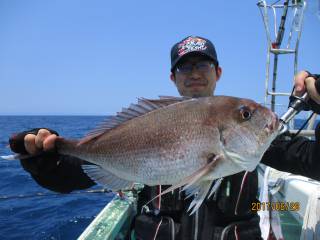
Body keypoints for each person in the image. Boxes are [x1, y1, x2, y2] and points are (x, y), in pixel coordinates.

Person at [9, 36, 320, 239]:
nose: (194, 72)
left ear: (218, 72)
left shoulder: (257, 139)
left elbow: (314, 163)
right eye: (184, 67)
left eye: (203, 64)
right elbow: (68, 180)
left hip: (245, 222)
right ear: (173, 77)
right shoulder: (148, 126)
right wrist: (43, 160)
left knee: (264, 207)